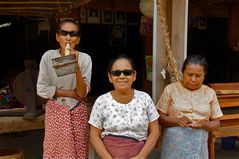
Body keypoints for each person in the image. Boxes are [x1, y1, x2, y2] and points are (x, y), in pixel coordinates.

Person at [37, 19, 92, 159]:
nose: (68, 38)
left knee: (79, 151)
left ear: (78, 39)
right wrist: (70, 93)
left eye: (73, 34)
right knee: (55, 152)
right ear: (57, 36)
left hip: (77, 109)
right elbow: (42, 89)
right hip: (56, 109)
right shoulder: (49, 56)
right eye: (64, 33)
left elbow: (82, 92)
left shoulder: (85, 58)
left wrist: (76, 65)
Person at [89, 54, 160, 159]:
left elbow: (155, 131)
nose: (122, 76)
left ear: (134, 76)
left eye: (127, 72)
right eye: (116, 73)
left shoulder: (145, 99)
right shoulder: (101, 101)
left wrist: (141, 156)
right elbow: (94, 136)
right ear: (110, 77)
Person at [156, 54, 223, 159]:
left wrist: (203, 125)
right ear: (182, 72)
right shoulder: (171, 89)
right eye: (189, 74)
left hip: (199, 143)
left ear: (204, 75)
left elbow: (217, 124)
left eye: (198, 76)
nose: (193, 79)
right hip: (174, 144)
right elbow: (159, 117)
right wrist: (177, 120)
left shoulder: (210, 93)